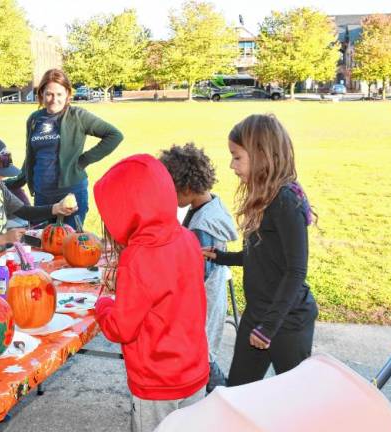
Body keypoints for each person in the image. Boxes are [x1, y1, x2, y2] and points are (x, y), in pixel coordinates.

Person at [93, 154, 209, 432]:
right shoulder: (187, 237)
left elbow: (123, 328)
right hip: (194, 370)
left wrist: (103, 306)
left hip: (157, 382)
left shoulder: (137, 258)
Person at [203, 114, 318, 387]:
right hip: (258, 313)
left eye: (237, 157)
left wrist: (269, 328)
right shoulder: (263, 198)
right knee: (238, 391)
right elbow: (262, 256)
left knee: (295, 396)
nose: (231, 165)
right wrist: (221, 256)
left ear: (262, 155)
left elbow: (295, 270)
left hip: (286, 320)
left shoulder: (286, 200)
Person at [159, 143, 238, 392]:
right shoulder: (209, 203)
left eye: (173, 191)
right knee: (202, 352)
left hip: (201, 301)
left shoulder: (202, 226)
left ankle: (222, 395)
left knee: (202, 355)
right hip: (210, 295)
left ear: (189, 188)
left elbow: (195, 273)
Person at [6, 68, 123, 229]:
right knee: (42, 245)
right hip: (42, 197)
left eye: (59, 94)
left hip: (70, 195)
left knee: (69, 246)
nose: (54, 99)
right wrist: (17, 181)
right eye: (49, 94)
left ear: (67, 94)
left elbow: (114, 135)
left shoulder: (78, 116)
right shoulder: (34, 119)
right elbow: (31, 155)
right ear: (41, 94)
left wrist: (83, 161)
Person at [0, 134, 76, 247]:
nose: (3, 176)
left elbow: (23, 211)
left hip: (0, 257)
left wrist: (57, 208)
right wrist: (4, 239)